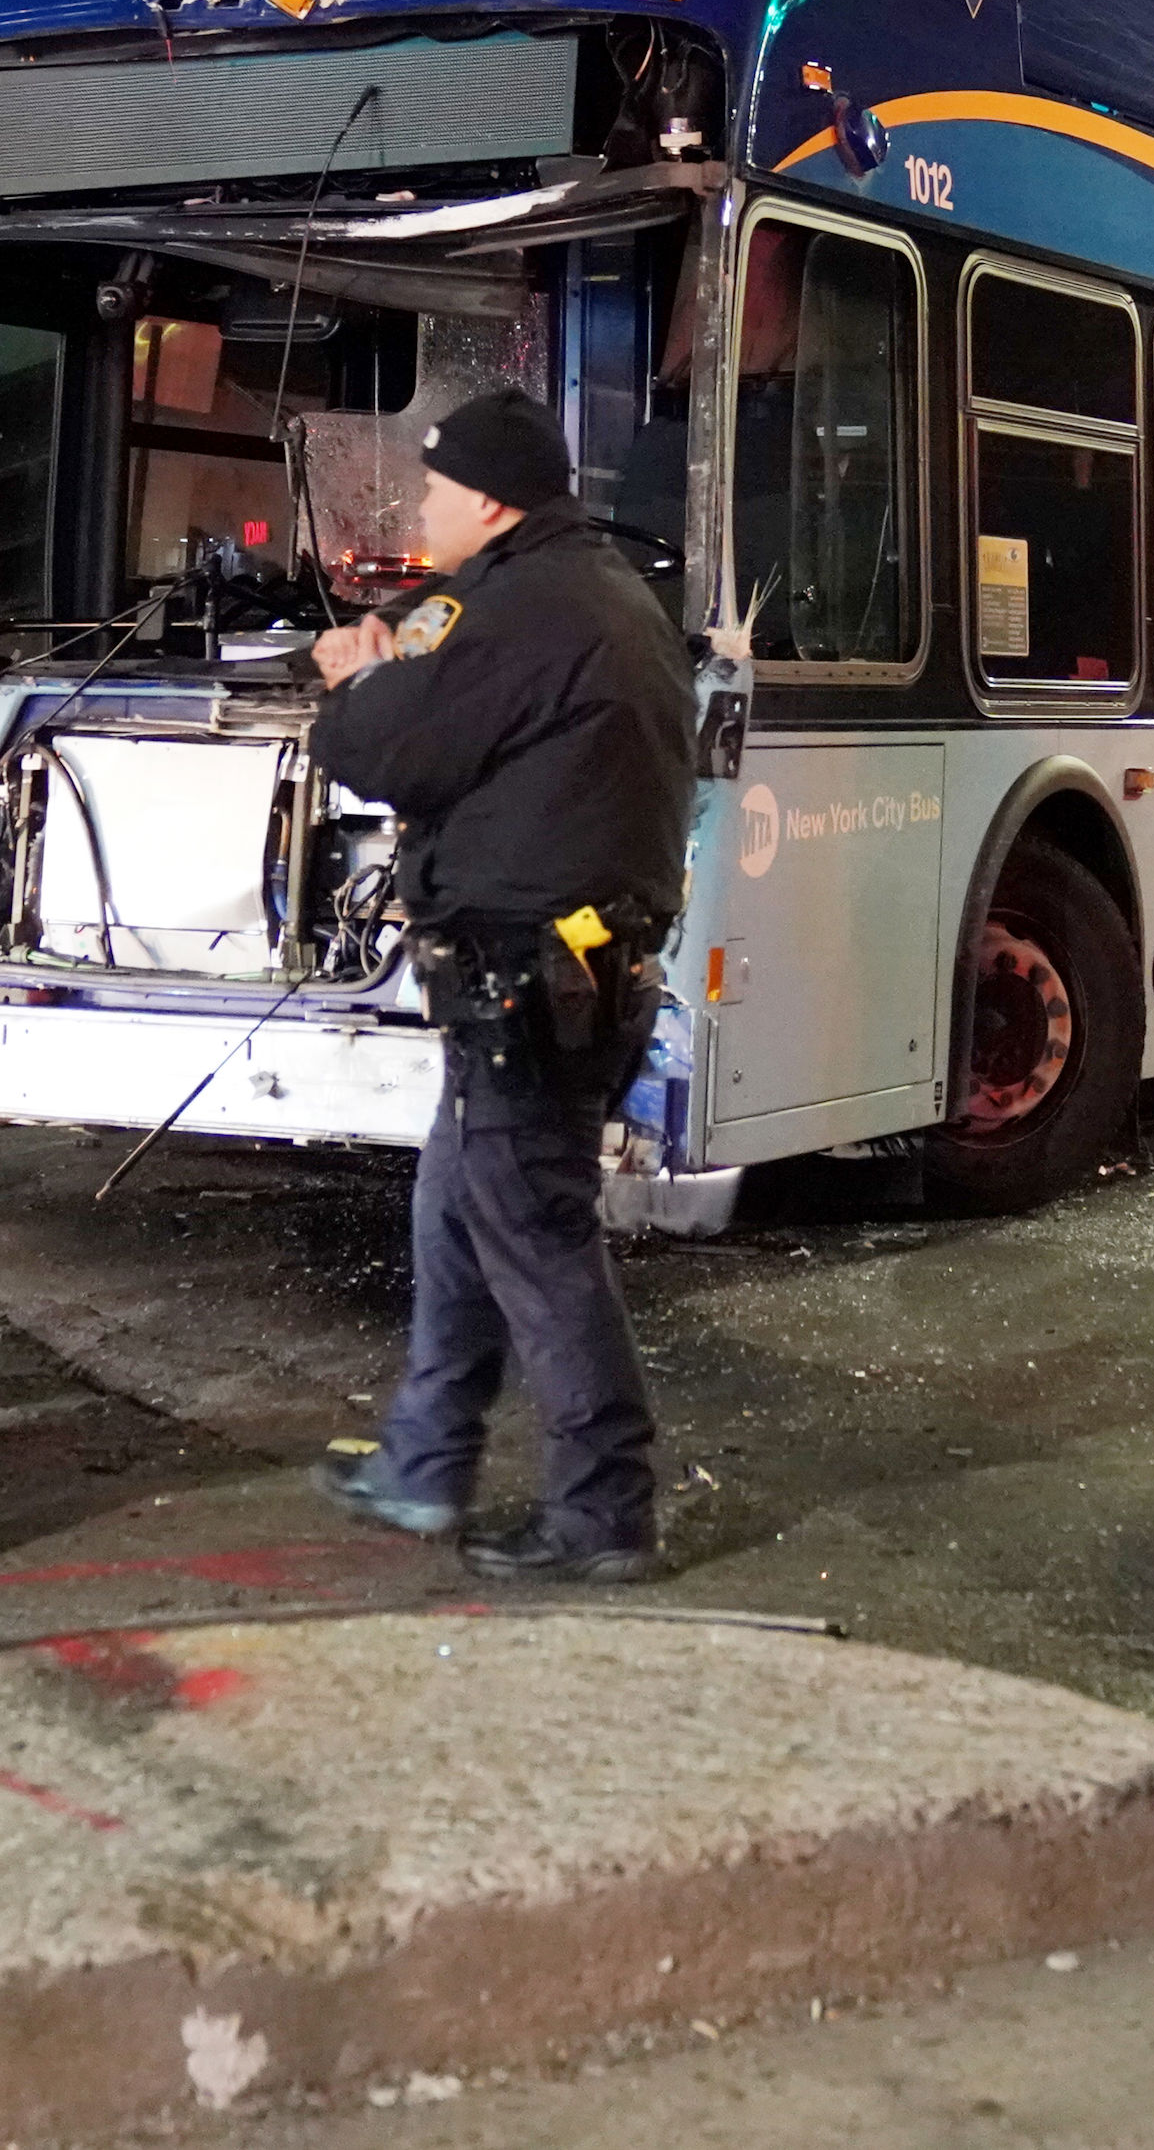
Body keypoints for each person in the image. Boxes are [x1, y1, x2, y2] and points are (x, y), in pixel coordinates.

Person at [305, 385, 694, 1582]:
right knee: (460, 1207)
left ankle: (603, 1509)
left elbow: (380, 751)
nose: (421, 508)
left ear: (485, 498)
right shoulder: (598, 590)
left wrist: (351, 680)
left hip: (524, 978)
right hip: (575, 973)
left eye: (432, 490)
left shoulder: (514, 606)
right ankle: (426, 1459)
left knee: (533, 1230)